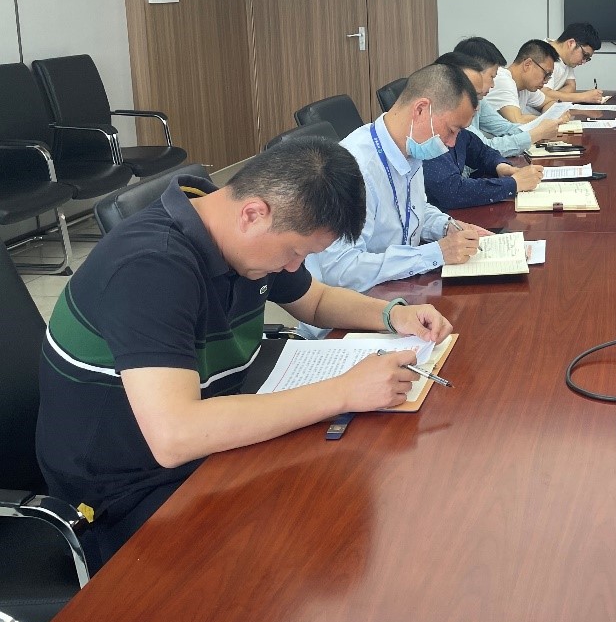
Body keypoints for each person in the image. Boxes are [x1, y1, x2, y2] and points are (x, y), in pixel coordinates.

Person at [36, 138, 455, 570]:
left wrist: (392, 315)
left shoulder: (240, 234)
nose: (294, 267)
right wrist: (345, 391)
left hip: (211, 442)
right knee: (304, 539)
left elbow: (314, 300)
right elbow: (175, 436)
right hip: (125, 494)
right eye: (295, 252)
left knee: (349, 489)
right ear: (253, 214)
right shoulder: (151, 267)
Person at [305, 63, 489, 297]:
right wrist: (436, 253)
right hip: (352, 304)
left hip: (399, 287)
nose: (452, 143)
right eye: (452, 130)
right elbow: (341, 270)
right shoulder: (355, 167)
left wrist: (446, 227)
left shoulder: (411, 149)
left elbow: (415, 208)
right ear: (421, 110)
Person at [423, 52, 544, 210]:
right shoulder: (427, 132)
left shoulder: (456, 126)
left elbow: (480, 151)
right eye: (472, 95)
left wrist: (501, 167)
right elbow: (451, 191)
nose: (477, 106)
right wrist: (513, 184)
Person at [453, 36, 561, 154]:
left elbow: (505, 128)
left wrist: (540, 131)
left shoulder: (478, 100)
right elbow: (485, 148)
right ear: (471, 73)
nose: (493, 85)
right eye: (492, 77)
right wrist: (537, 133)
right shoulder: (453, 102)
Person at [481, 38, 557, 126]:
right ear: (527, 64)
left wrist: (550, 116)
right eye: (546, 74)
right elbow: (517, 121)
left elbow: (549, 103)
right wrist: (550, 119)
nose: (546, 81)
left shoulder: (526, 86)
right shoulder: (503, 80)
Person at [541, 22, 604, 106]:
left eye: (587, 58)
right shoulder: (542, 54)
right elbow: (542, 95)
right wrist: (583, 97)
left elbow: (571, 86)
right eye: (585, 55)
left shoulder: (566, 57)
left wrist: (553, 96)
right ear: (571, 43)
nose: (584, 62)